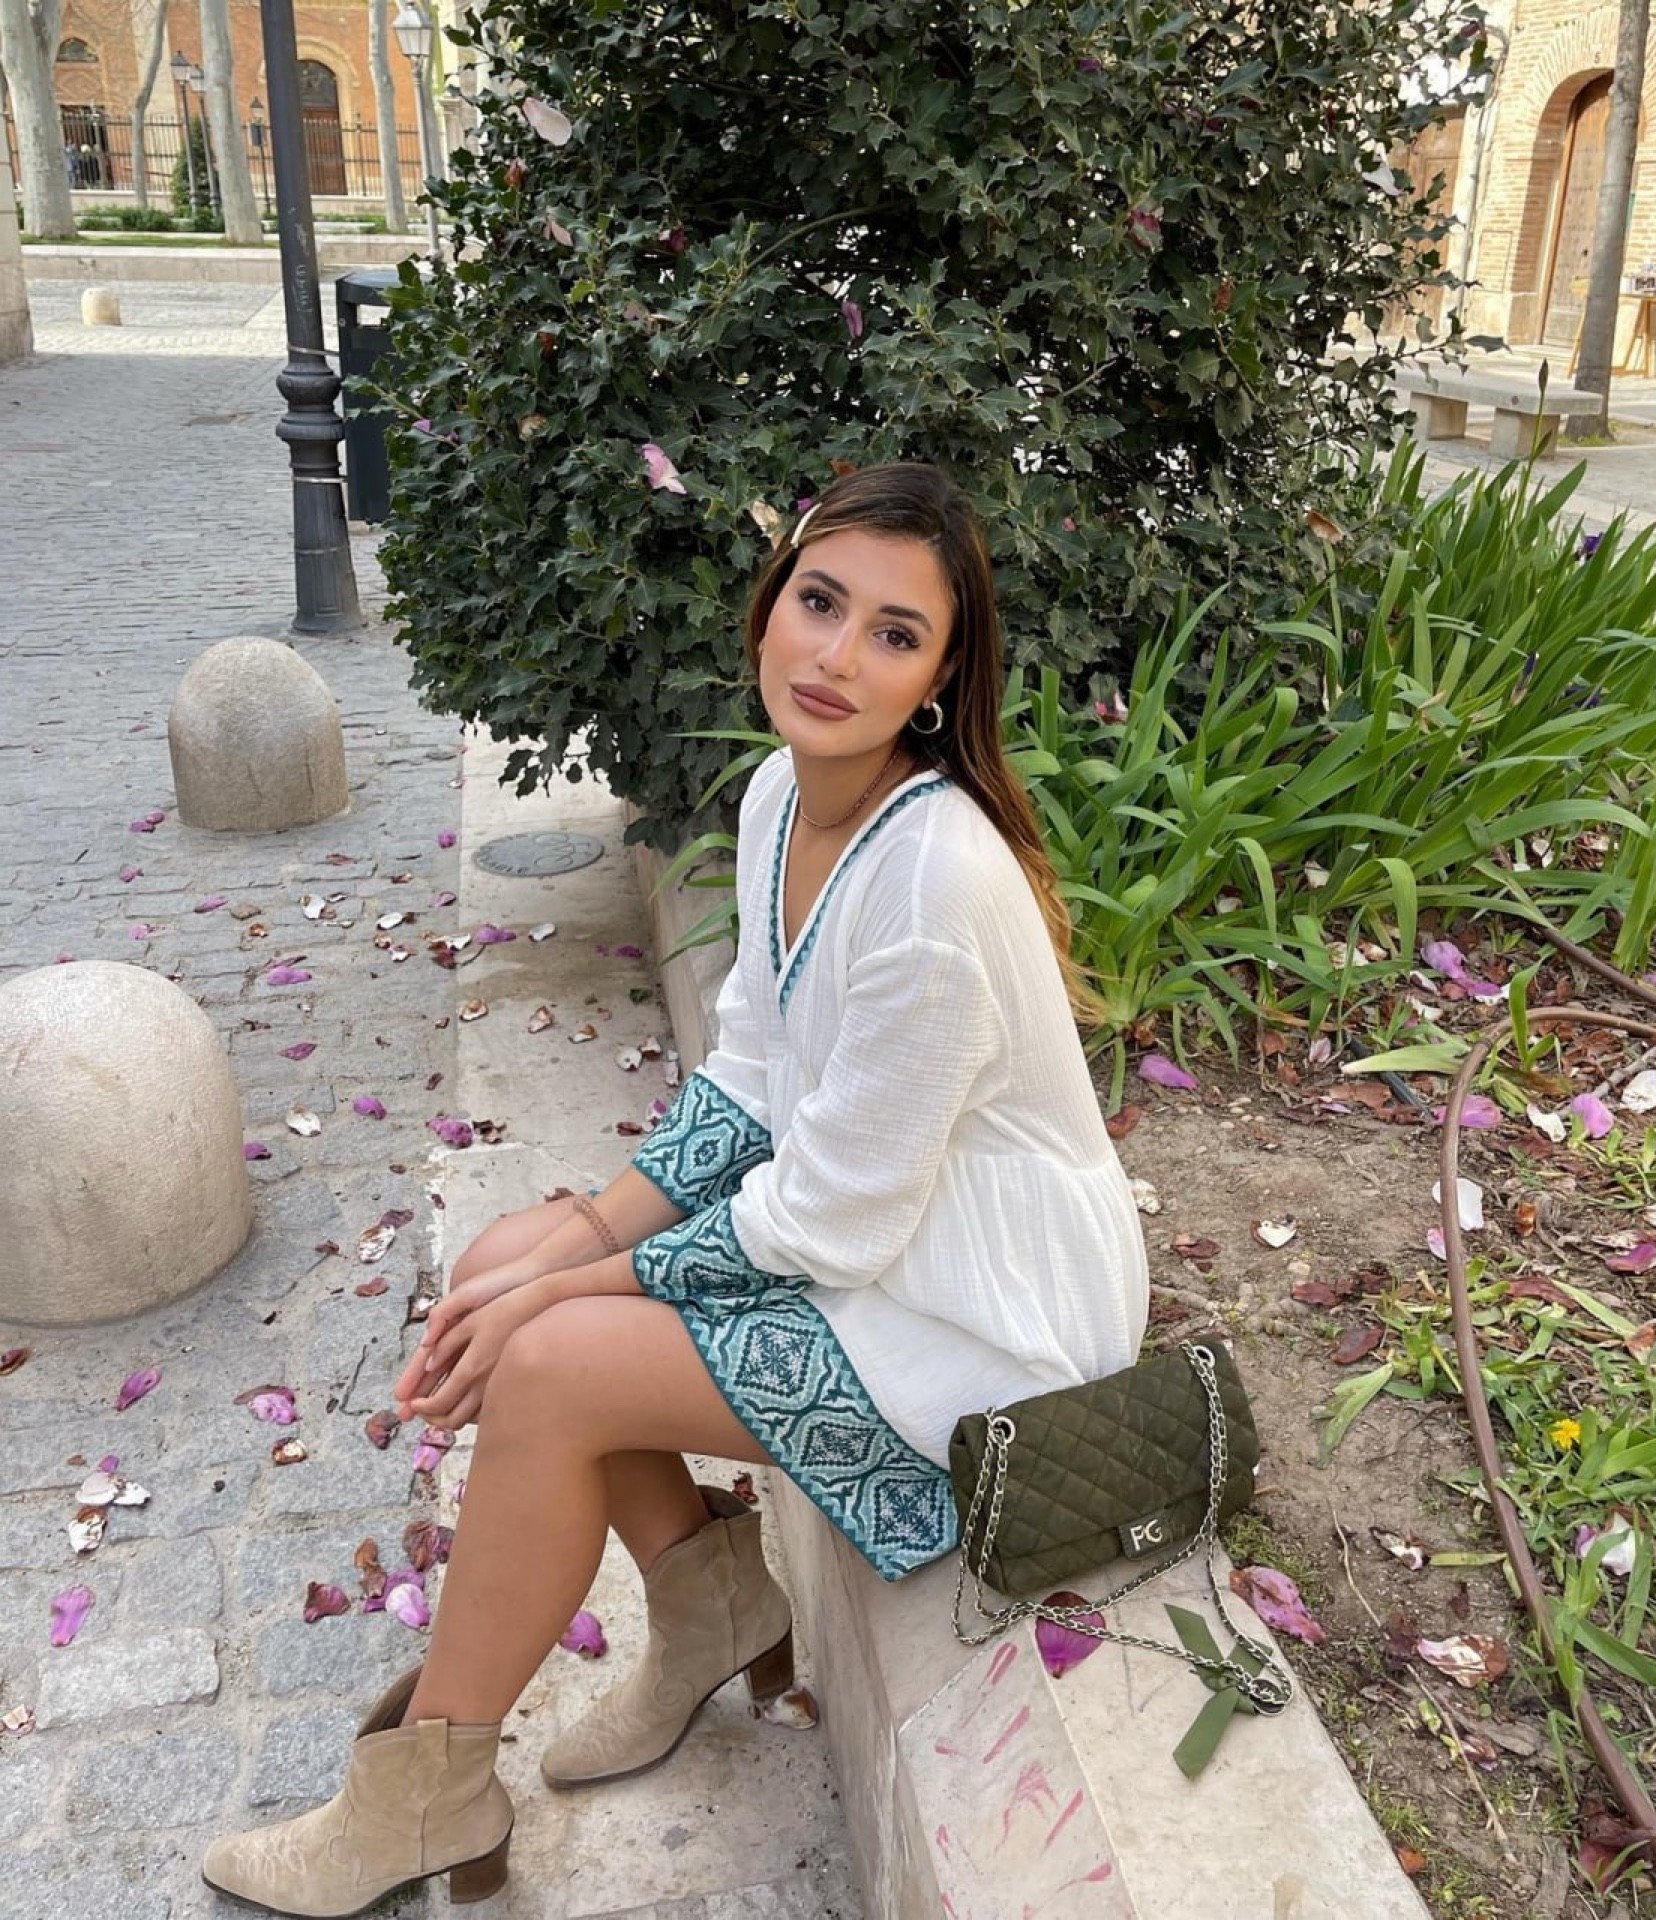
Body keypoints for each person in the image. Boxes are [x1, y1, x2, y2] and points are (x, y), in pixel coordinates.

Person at [201, 461, 1150, 1916]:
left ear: (939, 681)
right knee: (507, 1261)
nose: (838, 656)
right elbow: (754, 1077)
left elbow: (827, 1219)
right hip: (885, 1250)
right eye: (819, 602)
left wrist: (568, 1290)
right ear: (769, 607)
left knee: (550, 1355)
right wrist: (569, 1239)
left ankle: (424, 1800)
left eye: (895, 634)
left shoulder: (935, 888)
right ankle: (710, 1602)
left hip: (991, 1329)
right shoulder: (780, 798)